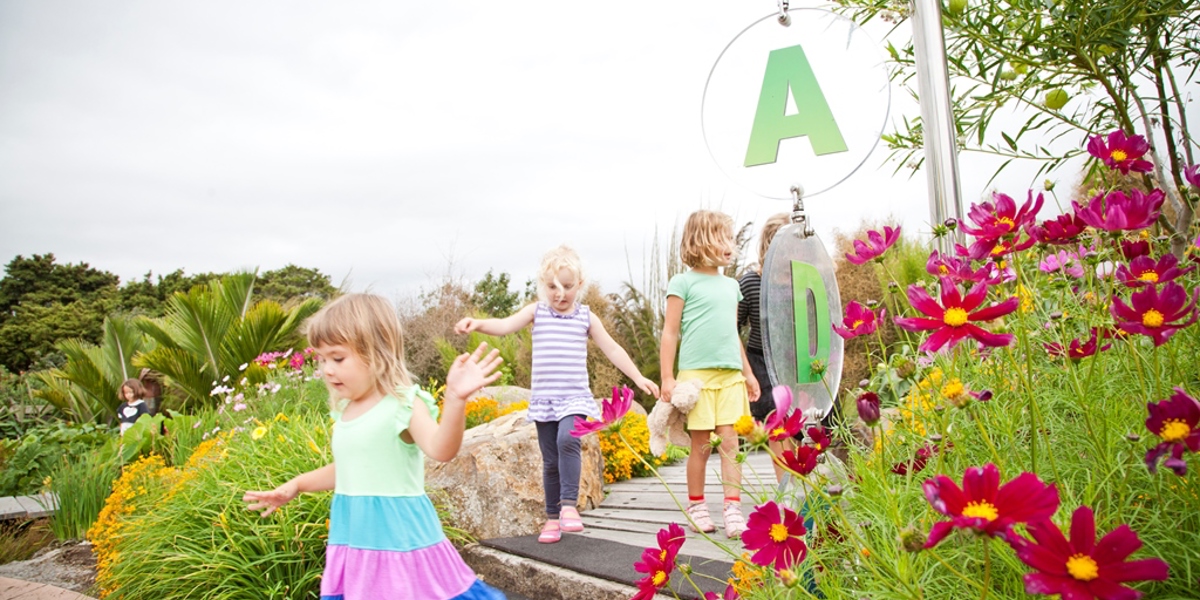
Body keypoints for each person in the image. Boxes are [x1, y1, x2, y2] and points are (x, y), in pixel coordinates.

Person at [244, 294, 507, 600]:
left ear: (376, 353)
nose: (327, 369)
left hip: (400, 540)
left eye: (337, 358)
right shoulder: (346, 410)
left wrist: (455, 400)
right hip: (357, 540)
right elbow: (349, 469)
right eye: (322, 359)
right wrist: (297, 485)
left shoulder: (403, 404)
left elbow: (441, 449)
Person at [454, 245, 659, 544]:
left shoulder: (586, 317)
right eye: (552, 287)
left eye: (567, 287)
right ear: (543, 285)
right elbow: (505, 325)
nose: (560, 294)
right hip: (545, 400)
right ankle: (552, 518)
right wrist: (478, 323)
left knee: (567, 440)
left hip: (574, 397)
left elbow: (613, 349)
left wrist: (638, 377)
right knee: (550, 461)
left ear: (580, 284)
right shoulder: (537, 311)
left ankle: (569, 506)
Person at [660, 210, 761, 539]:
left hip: (730, 377)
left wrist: (748, 373)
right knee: (701, 445)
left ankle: (733, 508)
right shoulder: (683, 282)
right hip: (697, 379)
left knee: (731, 443)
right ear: (700, 241)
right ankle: (697, 505)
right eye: (722, 238)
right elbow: (670, 332)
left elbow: (733, 334)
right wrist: (667, 377)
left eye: (731, 238)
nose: (730, 245)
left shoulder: (732, 286)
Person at [737, 212, 798, 481]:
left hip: (797, 360)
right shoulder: (751, 282)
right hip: (762, 361)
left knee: (802, 423)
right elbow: (732, 327)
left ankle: (804, 481)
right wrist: (745, 371)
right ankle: (787, 485)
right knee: (777, 422)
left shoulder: (803, 278)